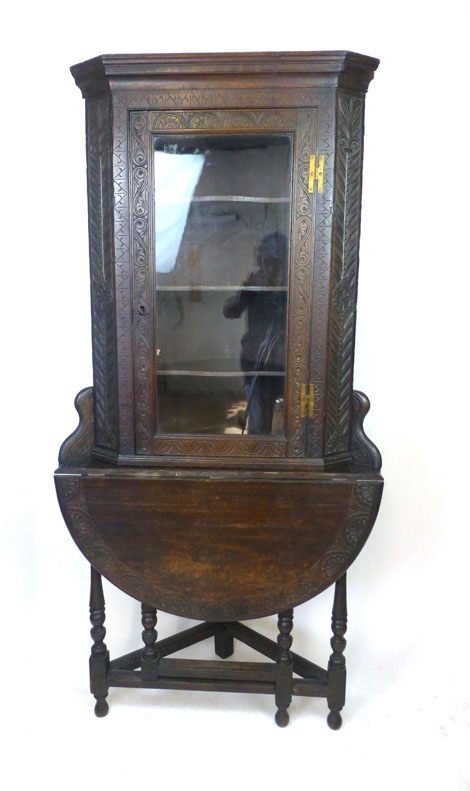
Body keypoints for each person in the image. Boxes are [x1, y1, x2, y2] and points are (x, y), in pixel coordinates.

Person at [223, 232, 288, 435]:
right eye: (265, 261)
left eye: (275, 262)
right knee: (259, 420)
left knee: (290, 420)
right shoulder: (255, 282)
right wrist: (246, 290)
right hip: (255, 359)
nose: (269, 267)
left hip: (285, 359)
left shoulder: (294, 282)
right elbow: (230, 312)